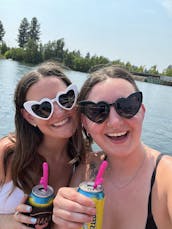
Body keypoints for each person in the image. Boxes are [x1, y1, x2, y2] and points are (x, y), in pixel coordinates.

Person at [52, 65, 172, 229]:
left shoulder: (166, 178)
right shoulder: (86, 169)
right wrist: (62, 219)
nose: (115, 122)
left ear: (142, 111)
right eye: (97, 111)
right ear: (85, 123)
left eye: (127, 106)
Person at [0, 61, 86, 228]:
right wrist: (11, 222)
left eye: (65, 99)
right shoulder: (7, 153)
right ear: (30, 117)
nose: (59, 112)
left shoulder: (80, 162)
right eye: (43, 108)